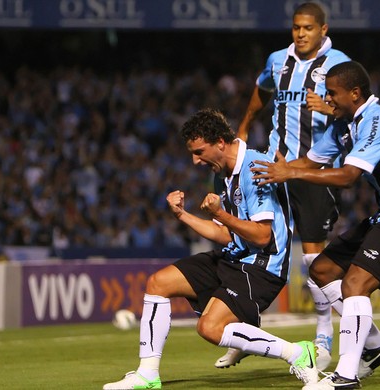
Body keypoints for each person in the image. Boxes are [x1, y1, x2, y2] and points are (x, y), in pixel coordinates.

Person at [251, 61, 380, 389]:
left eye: (333, 93)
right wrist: (268, 167)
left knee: (355, 285)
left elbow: (348, 177)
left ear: (355, 93)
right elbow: (309, 162)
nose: (328, 100)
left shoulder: (379, 119)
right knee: (322, 271)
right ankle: (376, 346)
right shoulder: (343, 125)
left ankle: (345, 377)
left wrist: (290, 173)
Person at [102, 108, 319, 390]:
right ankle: (147, 374)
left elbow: (264, 236)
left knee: (209, 328)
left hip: (263, 266)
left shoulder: (256, 168)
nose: (195, 160)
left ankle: (299, 354)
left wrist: (224, 214)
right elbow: (224, 234)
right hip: (233, 257)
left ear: (220, 143)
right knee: (159, 282)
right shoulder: (221, 175)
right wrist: (183, 215)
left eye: (199, 151)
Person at [216, 2, 351, 371]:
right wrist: (245, 123)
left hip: (311, 171)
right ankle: (246, 332)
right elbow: (261, 89)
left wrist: (330, 109)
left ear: (323, 29)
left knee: (311, 258)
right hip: (274, 167)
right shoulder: (278, 60)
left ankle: (324, 334)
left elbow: (356, 108)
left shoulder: (338, 63)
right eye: (296, 27)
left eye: (308, 28)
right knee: (253, 248)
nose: (301, 33)